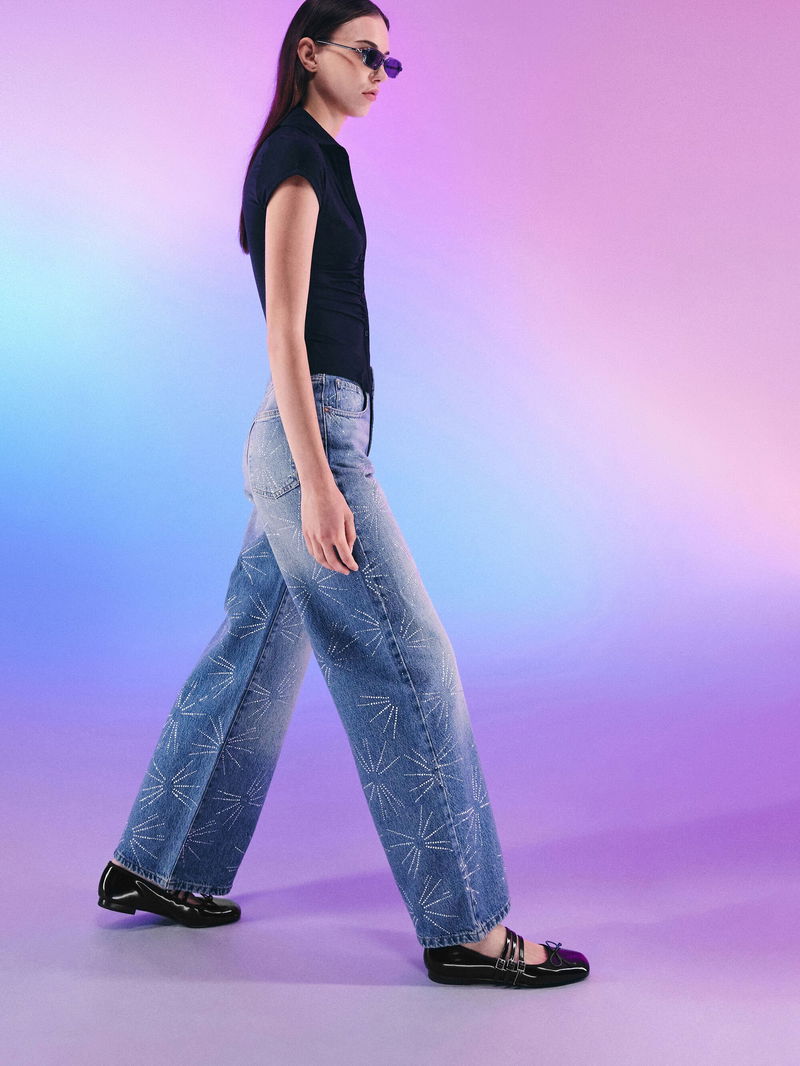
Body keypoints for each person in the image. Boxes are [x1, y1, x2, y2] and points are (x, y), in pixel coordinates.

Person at [97, 1, 590, 990]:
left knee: (252, 650)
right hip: (310, 441)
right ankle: (468, 927)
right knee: (411, 660)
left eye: (389, 63)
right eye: (365, 54)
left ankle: (159, 863)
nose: (377, 73)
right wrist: (322, 483)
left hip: (315, 435)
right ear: (309, 51)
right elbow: (283, 330)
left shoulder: (318, 155)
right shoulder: (296, 157)